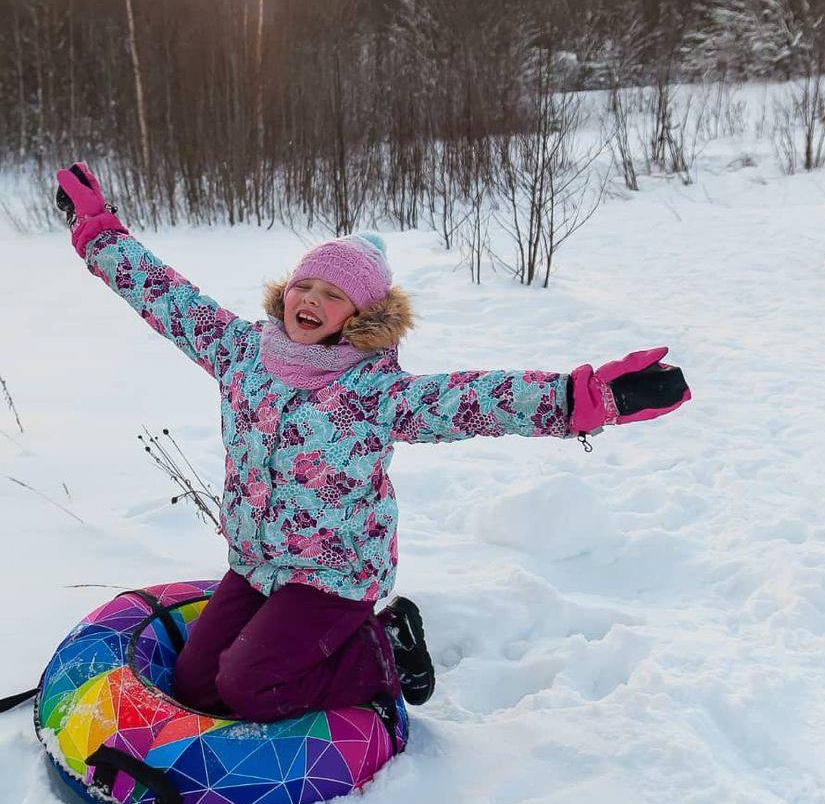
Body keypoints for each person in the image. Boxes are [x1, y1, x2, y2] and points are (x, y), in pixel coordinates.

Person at [54, 162, 691, 733]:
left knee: (248, 686)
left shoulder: (374, 393)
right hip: (256, 564)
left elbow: (476, 400)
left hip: (334, 577)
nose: (312, 300)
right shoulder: (241, 352)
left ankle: (381, 646)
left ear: (357, 316)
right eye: (305, 286)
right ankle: (314, 643)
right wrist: (98, 233)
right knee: (197, 685)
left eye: (333, 295)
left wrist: (585, 399)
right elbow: (167, 298)